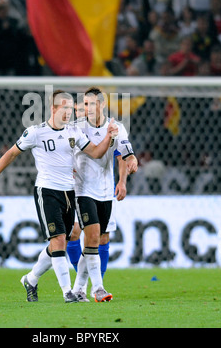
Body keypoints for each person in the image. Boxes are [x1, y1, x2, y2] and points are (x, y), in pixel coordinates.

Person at [0, 90, 119, 303]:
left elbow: (95, 152)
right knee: (58, 240)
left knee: (60, 243)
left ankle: (31, 278)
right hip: (46, 190)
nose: (69, 112)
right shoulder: (35, 133)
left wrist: (109, 137)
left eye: (70, 108)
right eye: (64, 108)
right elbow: (11, 153)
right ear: (54, 108)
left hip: (69, 192)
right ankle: (68, 292)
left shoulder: (73, 131)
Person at [71, 87, 138, 302]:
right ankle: (98, 287)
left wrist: (129, 165)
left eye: (91, 104)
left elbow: (124, 153)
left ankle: (79, 288)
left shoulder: (116, 127)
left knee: (101, 238)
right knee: (88, 236)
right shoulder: (77, 127)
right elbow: (69, 153)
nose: (87, 108)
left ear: (102, 105)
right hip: (82, 190)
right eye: (85, 104)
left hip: (105, 191)